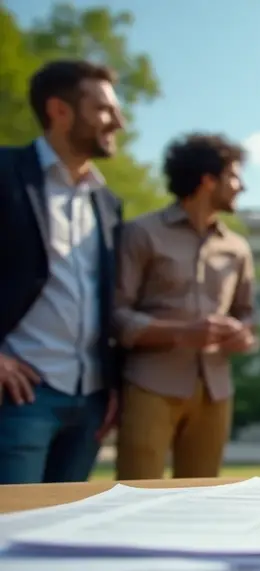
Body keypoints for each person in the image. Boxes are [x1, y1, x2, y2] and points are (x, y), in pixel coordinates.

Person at [0, 60, 125, 484]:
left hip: (89, 403)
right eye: (105, 110)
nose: (118, 122)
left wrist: (112, 384)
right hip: (22, 396)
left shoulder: (107, 203)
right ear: (59, 110)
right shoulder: (5, 174)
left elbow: (104, 299)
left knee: (65, 538)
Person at [115, 133, 257, 480]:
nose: (242, 186)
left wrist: (243, 336)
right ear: (208, 180)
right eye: (235, 177)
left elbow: (247, 314)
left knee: (201, 501)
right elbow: (116, 316)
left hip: (216, 391)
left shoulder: (237, 249)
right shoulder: (141, 233)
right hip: (150, 385)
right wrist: (183, 333)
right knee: (136, 496)